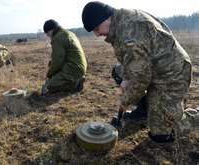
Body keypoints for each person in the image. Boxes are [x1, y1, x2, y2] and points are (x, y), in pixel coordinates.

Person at [82, 1, 199, 143]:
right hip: (154, 67)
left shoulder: (129, 34)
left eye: (96, 28)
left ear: (105, 18)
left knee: (161, 134)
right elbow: (131, 61)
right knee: (118, 72)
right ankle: (145, 109)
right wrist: (125, 78)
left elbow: (140, 79)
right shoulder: (121, 19)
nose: (97, 34)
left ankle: (194, 115)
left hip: (172, 74)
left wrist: (125, 101)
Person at [42, 19, 87, 94]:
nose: (47, 35)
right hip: (79, 67)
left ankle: (75, 84)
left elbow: (58, 61)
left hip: (73, 68)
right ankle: (77, 79)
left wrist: (49, 74)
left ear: (51, 30)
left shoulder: (57, 38)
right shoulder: (69, 33)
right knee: (52, 64)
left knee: (50, 86)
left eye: (47, 33)